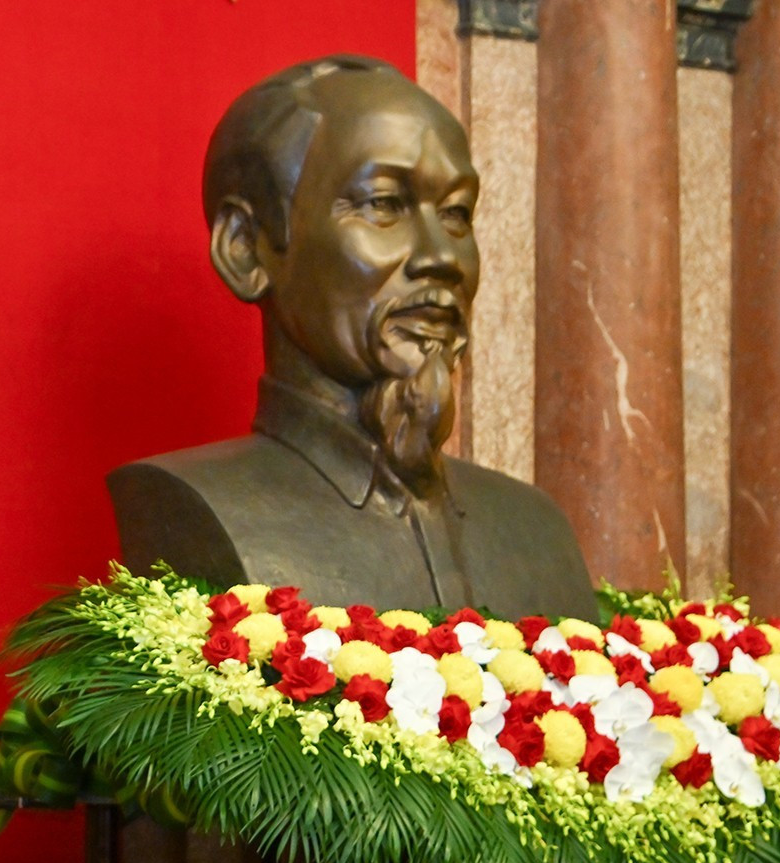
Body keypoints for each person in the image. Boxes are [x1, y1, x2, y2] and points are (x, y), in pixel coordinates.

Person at [108, 55, 595, 619]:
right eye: (383, 204)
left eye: (457, 213)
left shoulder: (535, 528)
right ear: (245, 249)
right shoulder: (190, 504)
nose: (442, 257)